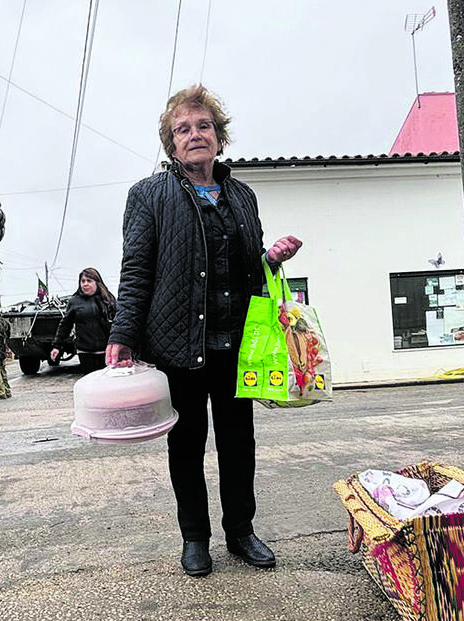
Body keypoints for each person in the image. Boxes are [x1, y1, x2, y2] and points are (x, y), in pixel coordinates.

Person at [105, 84, 302, 577]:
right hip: (178, 344)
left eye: (204, 126)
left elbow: (248, 267)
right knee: (186, 445)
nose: (195, 135)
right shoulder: (149, 195)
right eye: (183, 129)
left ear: (219, 136)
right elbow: (136, 270)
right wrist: (122, 335)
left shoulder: (243, 195)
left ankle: (241, 531)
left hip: (237, 344)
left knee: (239, 443)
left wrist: (270, 258)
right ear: (171, 143)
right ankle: (195, 538)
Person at [50, 268, 117, 375]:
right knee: (90, 381)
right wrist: (56, 346)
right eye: (83, 281)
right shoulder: (74, 301)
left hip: (106, 351)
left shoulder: (108, 300)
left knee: (107, 381)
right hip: (85, 352)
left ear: (97, 282)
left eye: (89, 281)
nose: (85, 284)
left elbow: (118, 323)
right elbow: (65, 325)